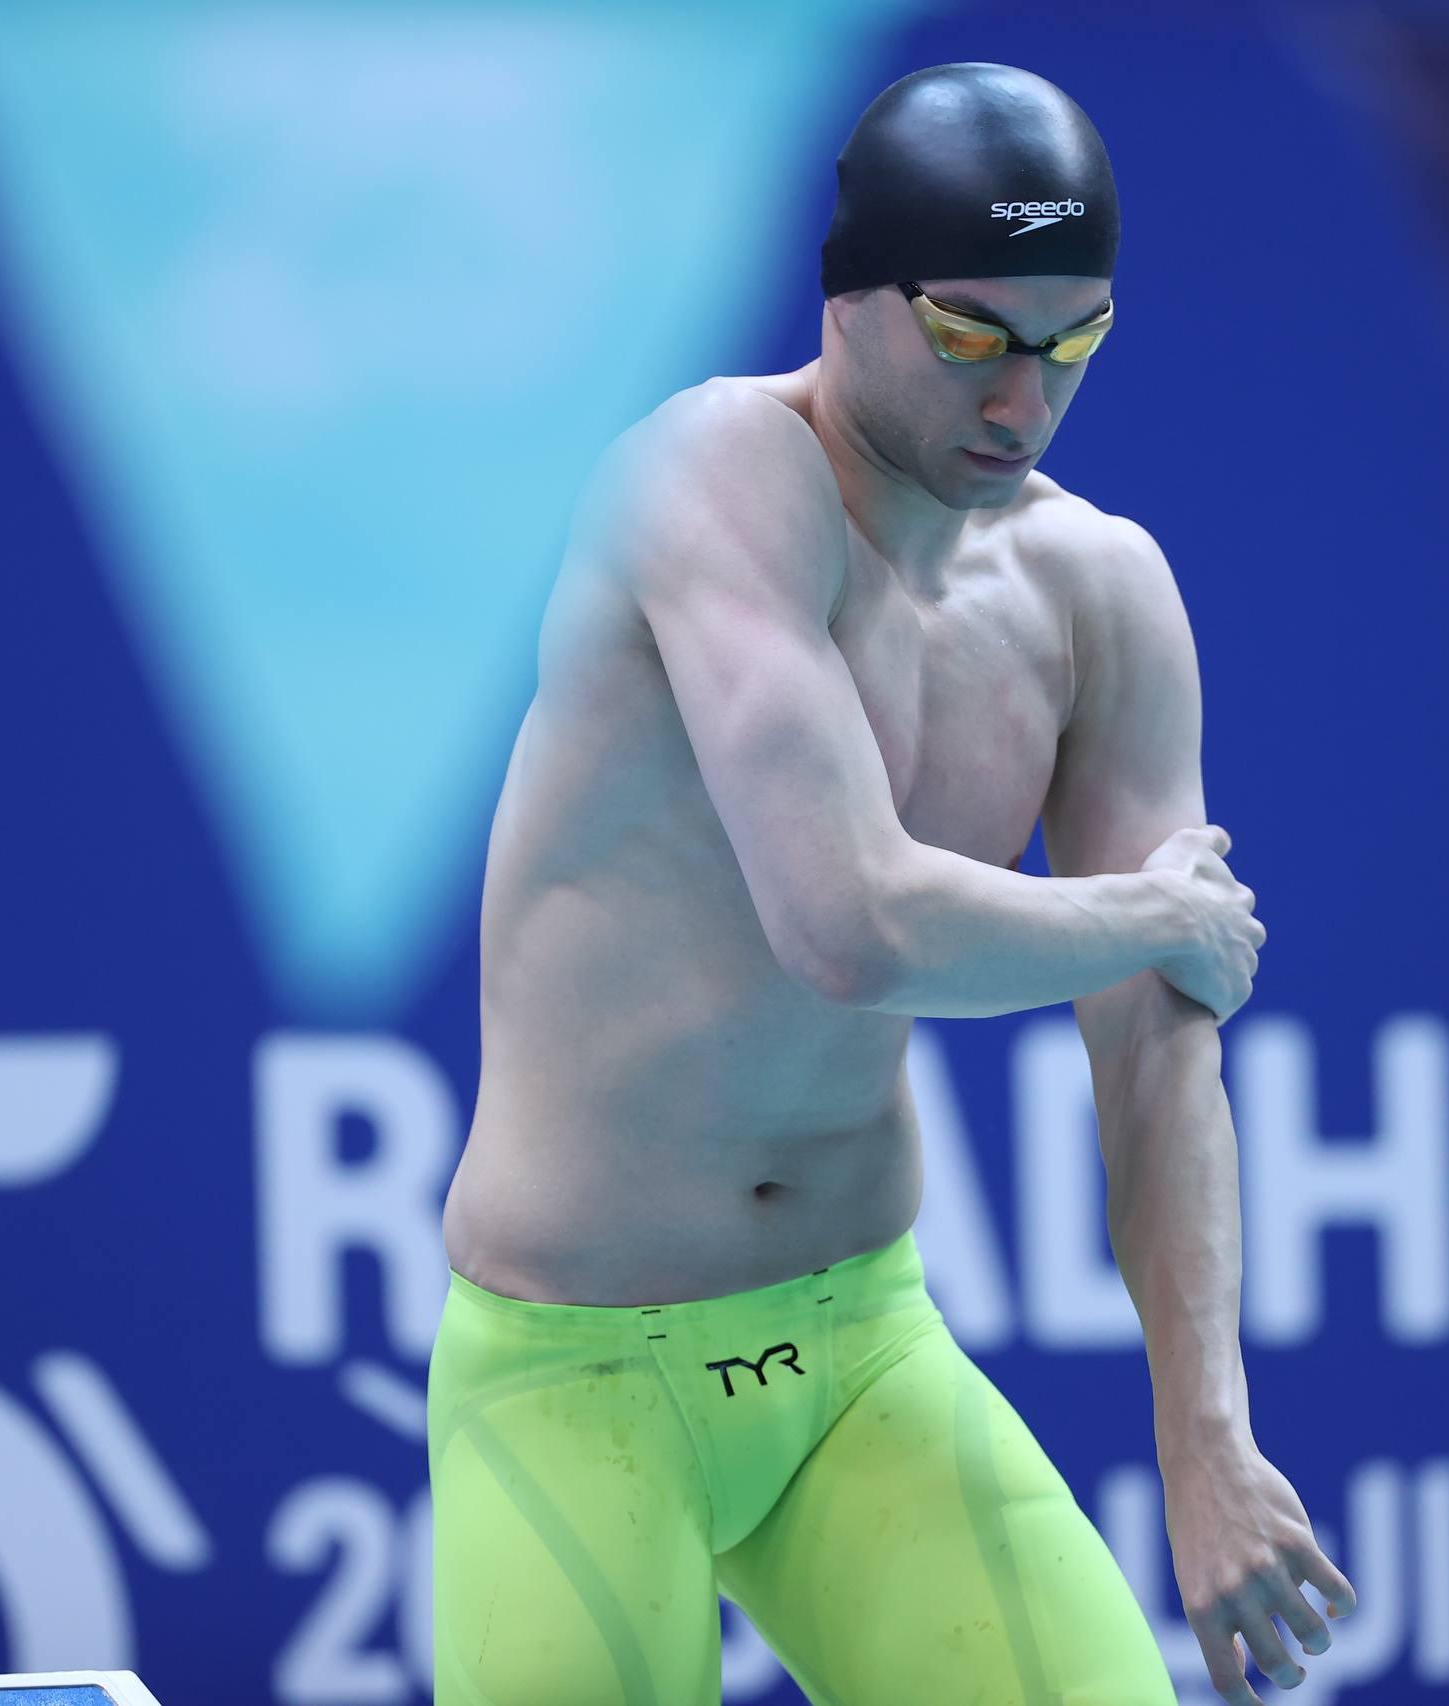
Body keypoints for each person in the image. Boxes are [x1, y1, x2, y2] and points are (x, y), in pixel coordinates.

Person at [429, 61, 1355, 1706]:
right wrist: (1154, 913)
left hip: (858, 1352)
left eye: (1072, 342)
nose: (1024, 400)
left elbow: (1156, 1046)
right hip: (573, 1369)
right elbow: (846, 922)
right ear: (850, 297)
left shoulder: (1098, 593)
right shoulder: (714, 477)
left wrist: (1207, 1435)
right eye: (971, 337)